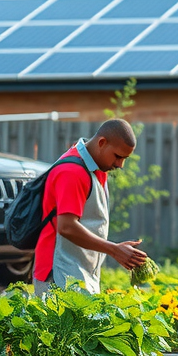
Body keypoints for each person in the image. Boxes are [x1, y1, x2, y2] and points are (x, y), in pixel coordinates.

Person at [33, 119, 146, 295]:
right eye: (118, 156)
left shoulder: (95, 167)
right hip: (58, 273)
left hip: (76, 270)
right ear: (102, 143)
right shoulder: (72, 172)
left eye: (125, 158)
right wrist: (114, 250)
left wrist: (117, 249)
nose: (120, 165)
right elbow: (67, 227)